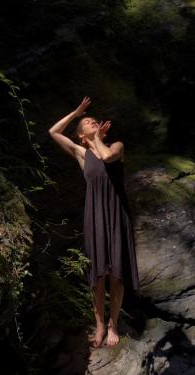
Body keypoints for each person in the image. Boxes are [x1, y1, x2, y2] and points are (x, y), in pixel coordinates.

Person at [48, 96, 140, 348]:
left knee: (116, 275)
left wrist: (97, 137)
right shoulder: (81, 153)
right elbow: (53, 131)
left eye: (94, 121)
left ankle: (113, 324)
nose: (92, 122)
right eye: (88, 123)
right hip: (95, 215)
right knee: (97, 275)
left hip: (116, 212)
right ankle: (99, 324)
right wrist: (77, 112)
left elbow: (108, 157)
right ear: (80, 136)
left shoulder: (117, 145)